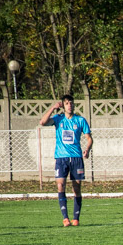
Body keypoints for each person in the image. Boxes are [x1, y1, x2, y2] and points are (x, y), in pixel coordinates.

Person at [39, 94, 92, 226]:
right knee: (60, 185)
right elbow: (42, 122)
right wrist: (53, 108)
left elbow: (89, 138)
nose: (70, 105)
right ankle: (65, 218)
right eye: (67, 103)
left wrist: (87, 149)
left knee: (76, 188)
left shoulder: (80, 120)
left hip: (76, 158)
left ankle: (76, 219)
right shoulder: (58, 119)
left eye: (71, 103)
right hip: (61, 158)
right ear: (63, 105)